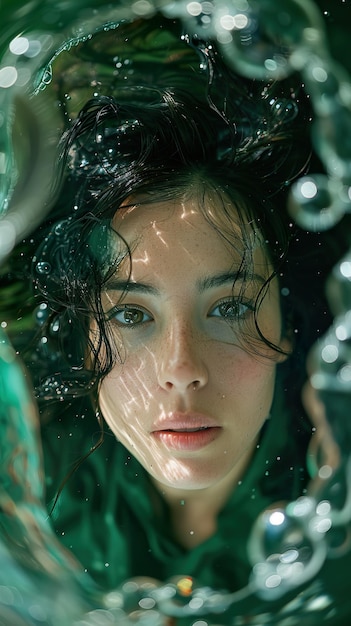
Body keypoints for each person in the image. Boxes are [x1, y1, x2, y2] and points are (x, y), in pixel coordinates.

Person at [4, 25, 351, 624]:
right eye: (131, 314)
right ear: (88, 341)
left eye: (231, 306)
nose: (182, 370)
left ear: (288, 323)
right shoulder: (24, 499)